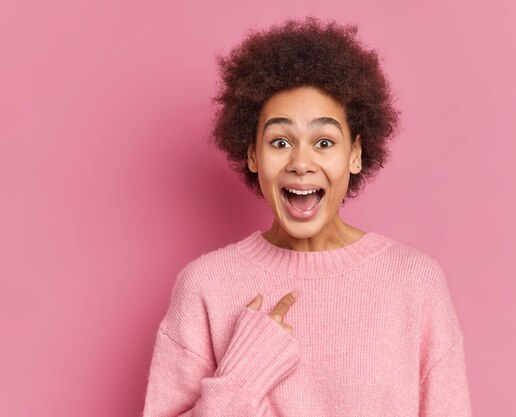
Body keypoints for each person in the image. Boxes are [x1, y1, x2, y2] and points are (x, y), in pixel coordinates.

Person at [142, 16, 473, 417]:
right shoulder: (205, 286)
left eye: (324, 142)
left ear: (354, 154)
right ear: (252, 154)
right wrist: (244, 374)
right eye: (280, 141)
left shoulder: (414, 283)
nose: (301, 162)